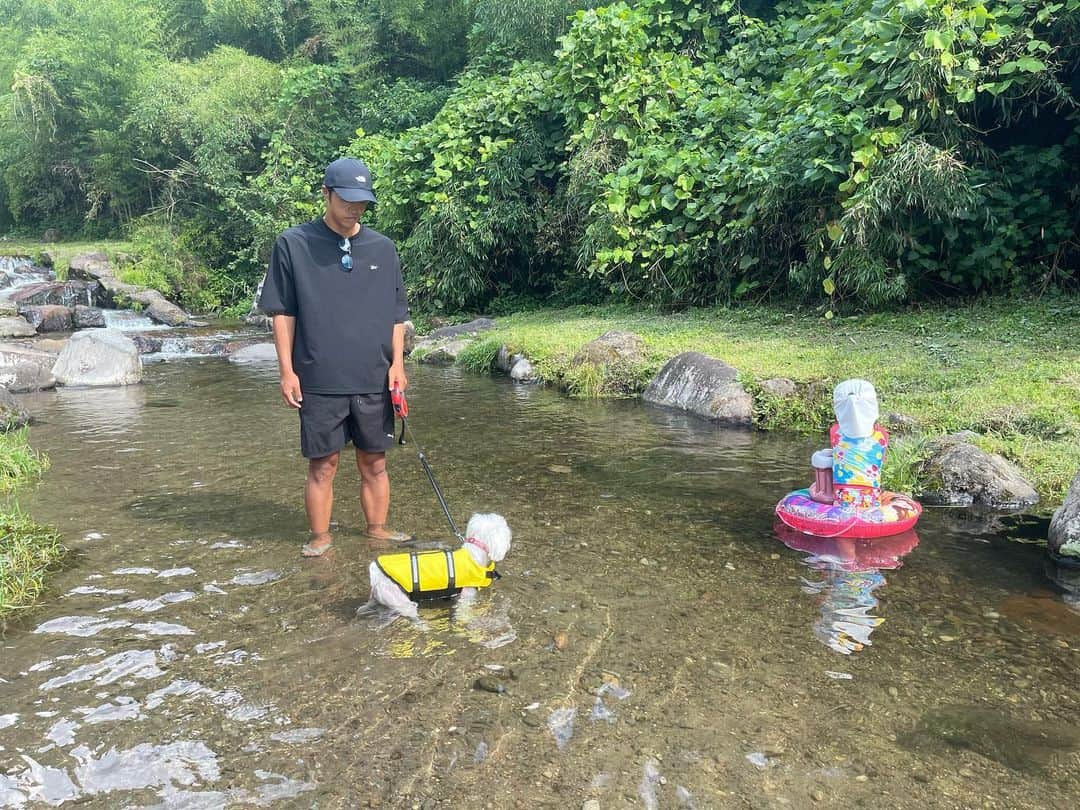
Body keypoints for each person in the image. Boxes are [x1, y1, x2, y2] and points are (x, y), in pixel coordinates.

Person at [259, 157, 412, 556]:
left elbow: (397, 315)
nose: (354, 208)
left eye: (362, 202)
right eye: (346, 199)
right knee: (323, 465)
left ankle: (377, 529)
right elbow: (282, 313)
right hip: (319, 377)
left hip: (373, 378)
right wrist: (287, 371)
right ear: (326, 193)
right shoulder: (293, 245)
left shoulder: (383, 248)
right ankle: (320, 538)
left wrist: (397, 365)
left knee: (375, 462)